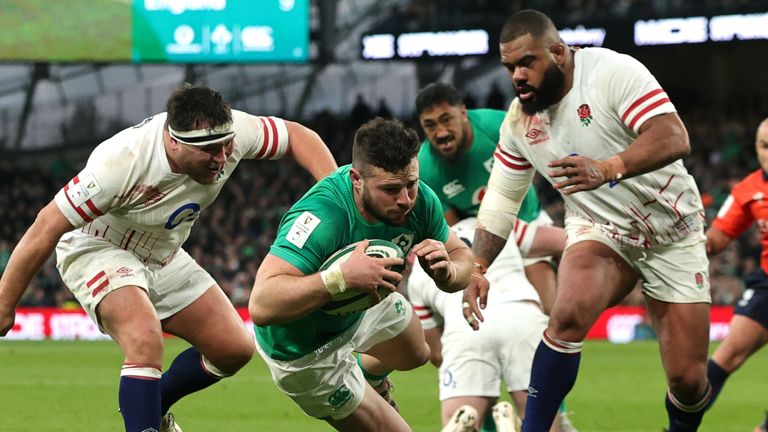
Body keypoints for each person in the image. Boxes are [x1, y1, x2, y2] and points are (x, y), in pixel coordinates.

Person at [0, 84, 338, 432]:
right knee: (144, 339)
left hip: (163, 252)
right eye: (209, 150)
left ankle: (151, 408)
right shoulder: (122, 162)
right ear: (174, 142)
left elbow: (298, 137)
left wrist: (337, 200)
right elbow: (45, 226)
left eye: (226, 145)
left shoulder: (232, 131)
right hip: (98, 246)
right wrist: (5, 304)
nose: (222, 158)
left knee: (233, 349)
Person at [462, 10, 711, 432]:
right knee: (567, 314)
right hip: (600, 228)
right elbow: (501, 201)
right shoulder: (519, 121)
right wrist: (478, 266)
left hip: (673, 231)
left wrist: (608, 167)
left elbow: (673, 135)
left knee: (687, 381)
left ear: (559, 53)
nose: (517, 76)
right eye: (509, 67)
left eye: (527, 62)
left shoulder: (611, 72)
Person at [249, 117, 474, 432]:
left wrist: (448, 273)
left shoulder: (419, 201)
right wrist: (340, 278)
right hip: (305, 351)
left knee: (418, 354)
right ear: (356, 179)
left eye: (411, 184)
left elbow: (462, 255)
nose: (405, 200)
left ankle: (370, 376)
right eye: (390, 189)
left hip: (363, 305)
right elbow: (262, 305)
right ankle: (358, 387)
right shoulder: (323, 216)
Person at [408, 217, 565, 432]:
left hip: (465, 324)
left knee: (459, 413)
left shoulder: (417, 273)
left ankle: (468, 419)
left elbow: (435, 353)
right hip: (521, 313)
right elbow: (562, 240)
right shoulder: (497, 224)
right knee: (540, 420)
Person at [415, 81, 558, 314]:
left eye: (446, 119)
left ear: (463, 113)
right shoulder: (425, 168)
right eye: (430, 125)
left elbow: (542, 156)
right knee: (498, 315)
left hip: (528, 224)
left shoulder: (497, 125)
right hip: (483, 240)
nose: (440, 132)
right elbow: (454, 230)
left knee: (549, 309)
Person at [704, 118, 768, 432]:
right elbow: (715, 239)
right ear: (756, 148)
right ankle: (681, 424)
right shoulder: (748, 190)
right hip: (767, 284)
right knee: (727, 355)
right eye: (765, 146)